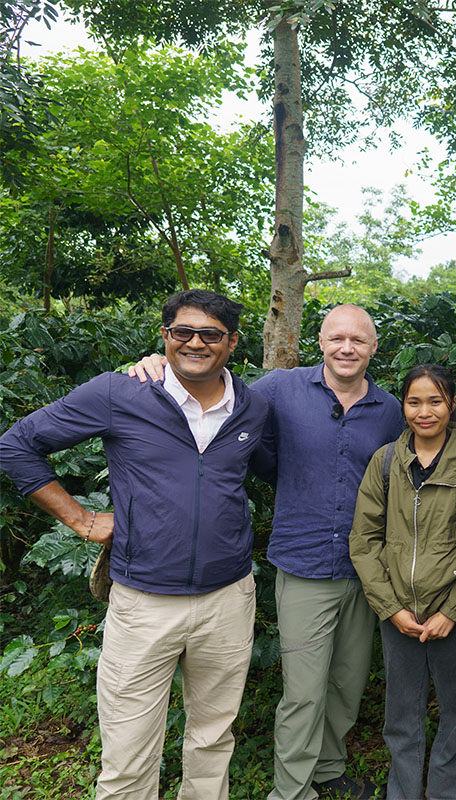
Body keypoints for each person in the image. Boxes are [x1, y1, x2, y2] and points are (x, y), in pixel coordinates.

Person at [0, 289, 267, 800]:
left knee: (213, 737)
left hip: (228, 598)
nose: (195, 343)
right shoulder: (119, 393)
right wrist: (79, 518)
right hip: (143, 601)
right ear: (164, 336)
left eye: (210, 334)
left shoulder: (252, 407)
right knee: (127, 750)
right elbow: (17, 445)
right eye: (181, 332)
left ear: (232, 342)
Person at [131, 304, 402, 800]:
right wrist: (157, 365)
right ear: (320, 341)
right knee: (303, 690)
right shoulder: (279, 389)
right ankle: (291, 791)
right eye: (337, 338)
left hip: (366, 568)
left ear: (373, 348)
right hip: (302, 563)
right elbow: (210, 387)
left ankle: (328, 768)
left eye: (358, 341)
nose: (347, 348)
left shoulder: (389, 410)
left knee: (346, 683)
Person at [349, 364, 456, 800]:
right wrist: (391, 609)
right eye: (414, 401)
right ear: (402, 405)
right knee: (402, 716)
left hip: (452, 616)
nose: (424, 412)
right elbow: (364, 541)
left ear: (452, 404)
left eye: (435, 401)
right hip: (399, 614)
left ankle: (446, 793)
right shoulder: (386, 460)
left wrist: (453, 611)